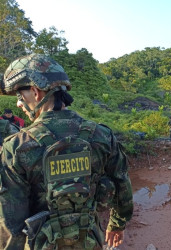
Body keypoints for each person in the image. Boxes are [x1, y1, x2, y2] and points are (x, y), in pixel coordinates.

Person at [0, 54, 133, 249]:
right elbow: (122, 183)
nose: (19, 103)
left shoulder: (17, 147)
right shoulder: (102, 135)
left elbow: (11, 223)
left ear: (36, 92)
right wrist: (117, 225)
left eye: (20, 95)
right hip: (90, 240)